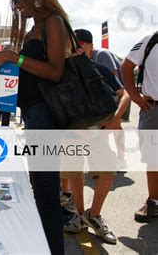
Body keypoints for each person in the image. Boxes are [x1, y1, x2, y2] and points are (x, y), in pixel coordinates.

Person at [0, 0, 69, 255]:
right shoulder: (36, 27)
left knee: (46, 194)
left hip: (45, 116)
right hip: (32, 115)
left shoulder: (53, 23)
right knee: (40, 191)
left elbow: (55, 72)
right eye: (14, 0)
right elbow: (29, 71)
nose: (17, 5)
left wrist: (14, 57)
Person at [61, 54, 130, 244]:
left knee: (108, 170)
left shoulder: (99, 69)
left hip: (98, 132)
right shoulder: (62, 72)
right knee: (74, 173)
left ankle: (94, 215)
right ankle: (80, 215)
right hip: (72, 134)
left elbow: (124, 94)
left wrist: (115, 119)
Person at [75, 28, 131, 170]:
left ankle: (121, 159)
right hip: (99, 96)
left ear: (90, 45)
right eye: (74, 43)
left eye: (80, 43)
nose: (77, 47)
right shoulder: (74, 63)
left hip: (113, 93)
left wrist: (115, 117)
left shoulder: (102, 56)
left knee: (115, 125)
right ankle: (99, 161)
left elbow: (112, 83)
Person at [122, 31, 158, 223]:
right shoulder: (151, 40)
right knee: (153, 159)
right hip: (153, 108)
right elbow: (127, 66)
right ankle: (154, 201)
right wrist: (134, 96)